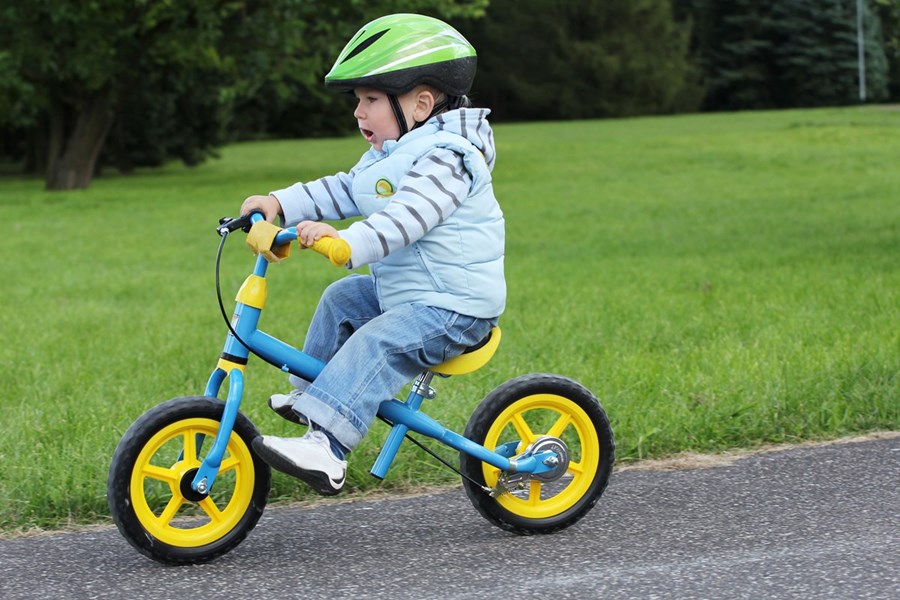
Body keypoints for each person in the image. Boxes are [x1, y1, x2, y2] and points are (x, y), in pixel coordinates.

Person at [240, 13, 505, 496]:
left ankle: (329, 450)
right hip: (412, 295)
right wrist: (279, 203)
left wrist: (349, 243)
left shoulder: (450, 157)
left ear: (421, 104)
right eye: (358, 101)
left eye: (371, 100)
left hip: (454, 308)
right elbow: (344, 189)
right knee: (342, 300)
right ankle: (312, 399)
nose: (358, 113)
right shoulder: (389, 155)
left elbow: (407, 218)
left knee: (378, 339)